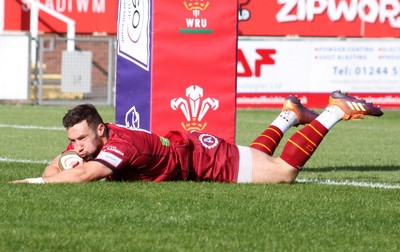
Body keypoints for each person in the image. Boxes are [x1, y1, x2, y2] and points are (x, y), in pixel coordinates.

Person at [12, 90, 383, 184]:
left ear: (101, 129)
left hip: (202, 160)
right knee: (256, 159)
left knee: (282, 173)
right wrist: (60, 162)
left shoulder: (118, 146)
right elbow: (62, 167)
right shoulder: (88, 140)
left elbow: (82, 175)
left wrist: (34, 182)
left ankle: (335, 109)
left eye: (79, 140)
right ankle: (290, 113)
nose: (76, 147)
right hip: (194, 152)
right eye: (72, 141)